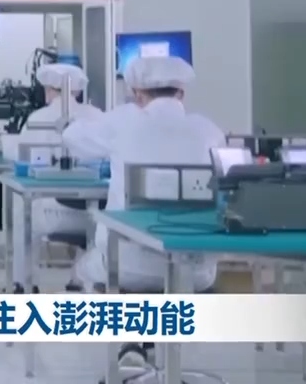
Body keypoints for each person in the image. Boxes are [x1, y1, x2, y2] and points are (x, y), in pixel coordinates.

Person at [75, 55, 223, 294]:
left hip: (126, 265)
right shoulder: (208, 130)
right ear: (181, 93)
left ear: (137, 95)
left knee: (83, 269)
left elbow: (73, 138)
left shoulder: (123, 120)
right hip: (196, 272)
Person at [22, 63, 104, 236]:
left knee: (22, 205)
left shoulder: (37, 118)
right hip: (98, 214)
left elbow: (21, 158)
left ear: (48, 91)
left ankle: (28, 253)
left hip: (54, 214)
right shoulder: (97, 115)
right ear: (78, 91)